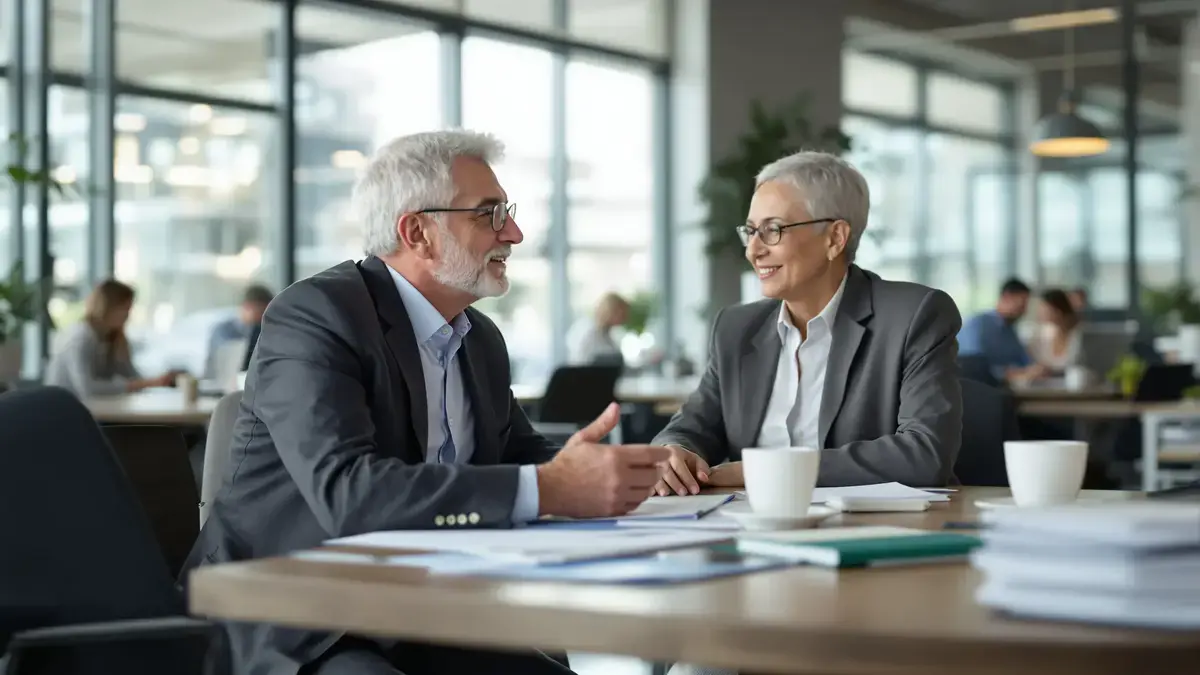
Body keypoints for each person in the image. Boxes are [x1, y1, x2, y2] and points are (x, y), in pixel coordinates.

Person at [181, 130, 669, 675]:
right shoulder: (315, 316)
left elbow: (519, 454)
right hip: (301, 618)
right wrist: (552, 485)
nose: (515, 232)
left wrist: (636, 468)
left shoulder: (478, 338)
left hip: (430, 606)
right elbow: (348, 494)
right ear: (418, 232)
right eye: (489, 214)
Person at [651, 150, 963, 498]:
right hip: (749, 531)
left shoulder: (915, 316)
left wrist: (761, 471)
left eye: (772, 230)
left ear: (834, 238)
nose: (753, 250)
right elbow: (690, 428)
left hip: (870, 534)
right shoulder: (737, 328)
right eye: (751, 231)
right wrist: (674, 453)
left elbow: (925, 454)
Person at [45, 280, 179, 398]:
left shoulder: (112, 338)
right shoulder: (80, 338)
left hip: (97, 411)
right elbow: (88, 389)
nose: (128, 315)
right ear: (108, 307)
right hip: (64, 413)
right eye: (125, 309)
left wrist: (156, 381)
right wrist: (135, 385)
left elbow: (130, 375)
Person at [958, 278, 1046, 383]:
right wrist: (1007, 373)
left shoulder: (1010, 331)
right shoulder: (978, 325)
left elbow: (1024, 361)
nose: (1024, 311)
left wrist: (1036, 369)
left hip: (1004, 389)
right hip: (978, 389)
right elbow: (974, 365)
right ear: (1007, 297)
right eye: (1021, 305)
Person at [204, 283, 274, 378]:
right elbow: (227, 363)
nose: (264, 315)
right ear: (246, 306)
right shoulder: (224, 331)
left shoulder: (271, 331)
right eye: (261, 310)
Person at [1028, 288, 1083, 373]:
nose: (1041, 314)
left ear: (1059, 311)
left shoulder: (1078, 336)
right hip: (1044, 382)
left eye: (1046, 310)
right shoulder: (1040, 335)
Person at [566, 292, 629, 366]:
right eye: (622, 313)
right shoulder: (587, 331)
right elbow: (581, 363)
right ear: (610, 310)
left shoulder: (608, 334)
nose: (625, 318)